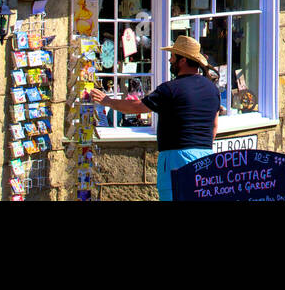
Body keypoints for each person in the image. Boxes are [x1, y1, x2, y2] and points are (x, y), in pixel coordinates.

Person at [90, 35, 221, 200]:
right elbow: (214, 126)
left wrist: (107, 101)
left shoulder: (170, 89)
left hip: (176, 158)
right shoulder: (212, 89)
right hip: (205, 157)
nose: (170, 60)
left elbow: (137, 107)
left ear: (183, 61)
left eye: (173, 56)